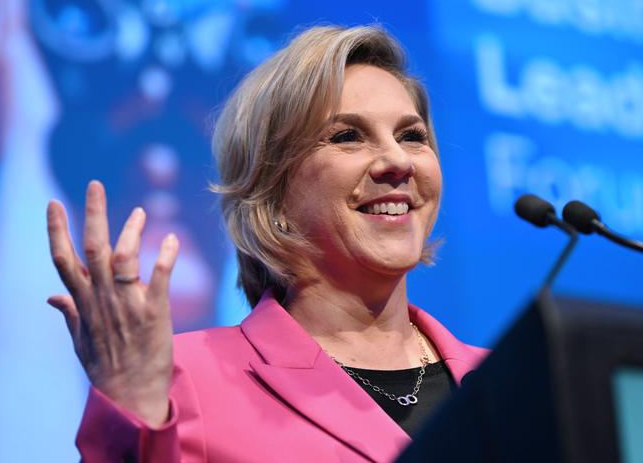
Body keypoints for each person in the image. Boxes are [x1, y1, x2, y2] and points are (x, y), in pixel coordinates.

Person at [47, 25, 487, 462]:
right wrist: (134, 411)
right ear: (272, 194)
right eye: (346, 137)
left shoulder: (516, 379)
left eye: (412, 136)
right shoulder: (182, 381)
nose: (397, 161)